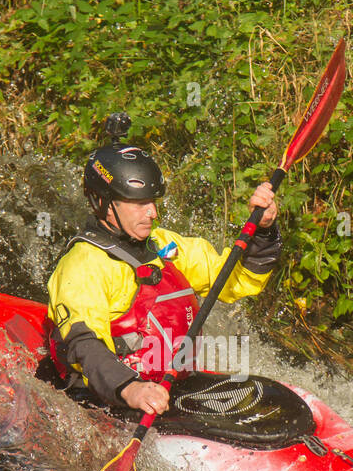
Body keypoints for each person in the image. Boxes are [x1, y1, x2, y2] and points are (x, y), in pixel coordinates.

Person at [46, 115, 281, 416]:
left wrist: (262, 229)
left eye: (153, 201)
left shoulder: (163, 245)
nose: (152, 212)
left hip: (170, 389)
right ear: (101, 202)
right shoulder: (82, 265)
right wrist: (130, 389)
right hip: (108, 400)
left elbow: (239, 280)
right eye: (138, 203)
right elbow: (83, 344)